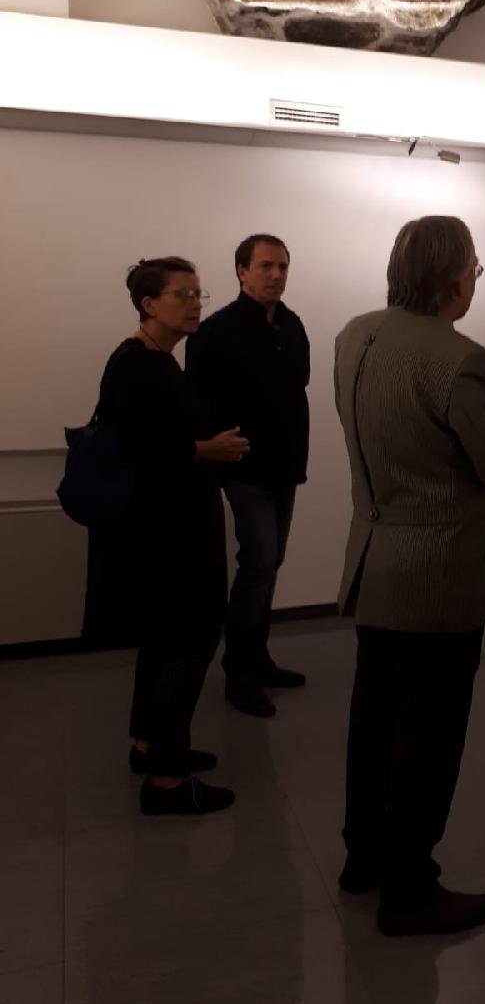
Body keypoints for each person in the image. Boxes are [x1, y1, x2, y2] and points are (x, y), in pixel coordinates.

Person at [334, 215, 485, 937]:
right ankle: (410, 889)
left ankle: (364, 858)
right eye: (475, 270)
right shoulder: (458, 357)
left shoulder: (355, 334)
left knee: (374, 721)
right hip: (436, 573)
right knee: (430, 736)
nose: (476, 281)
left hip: (372, 559)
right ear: (451, 278)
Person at [85, 257, 249, 815]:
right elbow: (136, 447)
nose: (195, 303)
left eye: (199, 294)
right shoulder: (138, 365)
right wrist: (206, 449)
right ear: (149, 304)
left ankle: (151, 746)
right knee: (189, 639)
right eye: (183, 294)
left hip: (171, 525)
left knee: (164, 642)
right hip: (168, 532)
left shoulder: (154, 360)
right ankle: (167, 782)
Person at [186, 234, 310, 718]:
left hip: (285, 466)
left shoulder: (292, 324)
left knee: (270, 562)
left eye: (282, 266)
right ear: (241, 270)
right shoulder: (215, 331)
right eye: (265, 266)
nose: (276, 275)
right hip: (244, 467)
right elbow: (197, 401)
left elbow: (296, 386)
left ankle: (256, 659)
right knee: (258, 562)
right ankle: (240, 672)